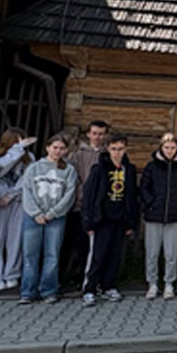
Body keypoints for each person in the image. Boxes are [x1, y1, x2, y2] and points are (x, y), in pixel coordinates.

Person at [18, 134, 77, 304]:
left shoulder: (68, 170)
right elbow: (27, 191)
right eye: (55, 147)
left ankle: (49, 290)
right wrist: (36, 213)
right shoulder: (34, 168)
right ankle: (28, 291)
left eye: (61, 148)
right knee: (30, 254)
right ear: (47, 148)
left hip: (56, 217)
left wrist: (53, 213)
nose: (58, 151)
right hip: (33, 217)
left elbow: (69, 194)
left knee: (52, 255)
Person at [81, 133, 138, 306]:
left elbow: (132, 197)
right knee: (98, 256)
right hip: (102, 219)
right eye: (113, 149)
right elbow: (89, 196)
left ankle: (108, 286)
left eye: (120, 149)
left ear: (125, 149)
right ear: (108, 149)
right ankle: (90, 289)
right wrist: (89, 221)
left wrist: (131, 222)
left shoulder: (129, 169)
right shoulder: (99, 169)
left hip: (120, 218)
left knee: (114, 255)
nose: (117, 152)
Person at [139, 132, 177, 300]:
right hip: (154, 215)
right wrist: (151, 203)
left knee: (171, 253)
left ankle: (169, 283)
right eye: (166, 147)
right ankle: (152, 283)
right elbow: (144, 187)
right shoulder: (152, 166)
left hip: (175, 216)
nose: (169, 151)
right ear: (161, 148)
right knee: (152, 253)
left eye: (173, 148)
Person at [0, 128, 37, 292]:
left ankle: (12, 274)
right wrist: (17, 149)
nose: (22, 143)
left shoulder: (29, 158)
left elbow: (27, 179)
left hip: (17, 202)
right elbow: (0, 169)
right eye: (18, 140)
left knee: (15, 239)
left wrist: (12, 195)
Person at [64, 120, 109, 283]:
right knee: (75, 243)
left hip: (100, 207)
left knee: (94, 247)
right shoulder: (78, 155)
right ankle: (69, 276)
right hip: (80, 206)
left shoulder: (107, 155)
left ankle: (90, 279)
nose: (97, 137)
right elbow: (74, 178)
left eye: (101, 134)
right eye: (95, 133)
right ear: (89, 134)